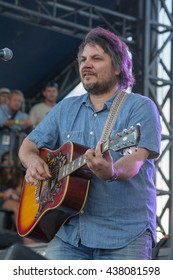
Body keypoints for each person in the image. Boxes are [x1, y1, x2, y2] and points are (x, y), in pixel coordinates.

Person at [18, 27, 162, 260]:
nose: (86, 64)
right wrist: (33, 161)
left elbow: (135, 160)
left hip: (124, 235)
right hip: (69, 234)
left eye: (96, 58)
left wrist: (112, 171)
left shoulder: (140, 107)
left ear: (118, 67)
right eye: (83, 59)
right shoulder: (65, 108)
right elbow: (28, 146)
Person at [0, 89, 32, 160]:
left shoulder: (23, 116)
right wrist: (17, 122)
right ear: (8, 100)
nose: (17, 103)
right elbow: (2, 122)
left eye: (19, 101)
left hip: (13, 151)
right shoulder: (1, 109)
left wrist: (30, 125)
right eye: (15, 100)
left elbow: (30, 130)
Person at [0, 151, 23, 228]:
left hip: (13, 199)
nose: (7, 162)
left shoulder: (18, 174)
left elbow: (19, 192)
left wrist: (12, 193)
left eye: (10, 159)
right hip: (2, 199)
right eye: (5, 159)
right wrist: (4, 194)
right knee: (16, 206)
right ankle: (25, 236)